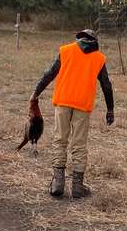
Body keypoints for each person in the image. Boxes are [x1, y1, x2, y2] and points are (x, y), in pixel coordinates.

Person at [30, 28, 114, 200]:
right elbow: (106, 84)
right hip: (82, 106)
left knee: (60, 140)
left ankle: (57, 184)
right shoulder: (99, 58)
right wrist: (110, 109)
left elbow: (49, 74)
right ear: (94, 41)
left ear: (79, 38)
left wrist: (36, 93)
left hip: (63, 102)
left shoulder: (66, 50)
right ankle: (77, 187)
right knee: (79, 145)